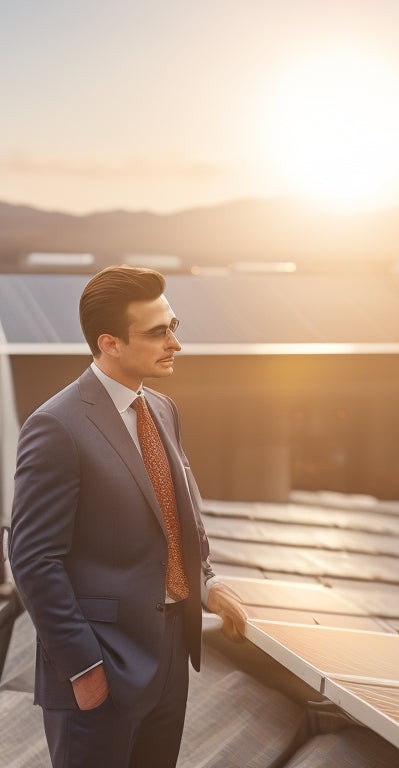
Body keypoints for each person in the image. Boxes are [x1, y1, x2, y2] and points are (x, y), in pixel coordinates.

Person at [9, 265, 247, 768]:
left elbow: (180, 519)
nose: (175, 344)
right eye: (158, 333)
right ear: (110, 343)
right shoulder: (55, 426)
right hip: (101, 670)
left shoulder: (162, 409)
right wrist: (84, 668)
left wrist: (209, 584)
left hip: (169, 662)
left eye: (174, 326)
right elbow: (31, 559)